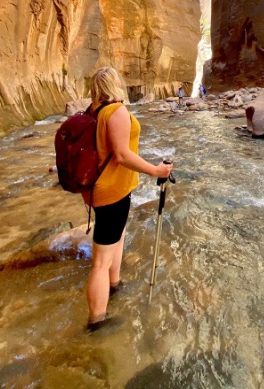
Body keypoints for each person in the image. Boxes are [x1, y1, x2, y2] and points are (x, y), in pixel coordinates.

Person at [84, 67, 173, 331]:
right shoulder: (116, 111)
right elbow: (122, 155)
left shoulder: (94, 111)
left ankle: (115, 284)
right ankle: (96, 321)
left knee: (118, 237)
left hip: (105, 189)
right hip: (111, 192)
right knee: (100, 261)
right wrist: (156, 170)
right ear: (115, 84)